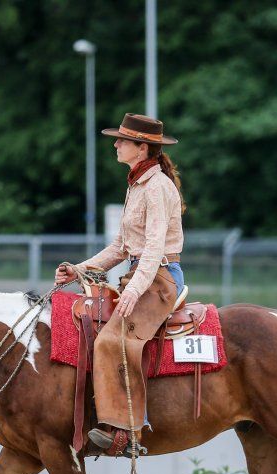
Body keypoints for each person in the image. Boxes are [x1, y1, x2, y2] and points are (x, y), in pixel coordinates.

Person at [55, 113, 186, 455]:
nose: (115, 144)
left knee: (113, 339)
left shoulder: (157, 187)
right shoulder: (137, 184)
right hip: (140, 274)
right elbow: (120, 247)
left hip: (159, 278)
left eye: (122, 140)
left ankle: (126, 432)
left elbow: (154, 247)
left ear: (141, 149)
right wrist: (79, 270)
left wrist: (133, 288)